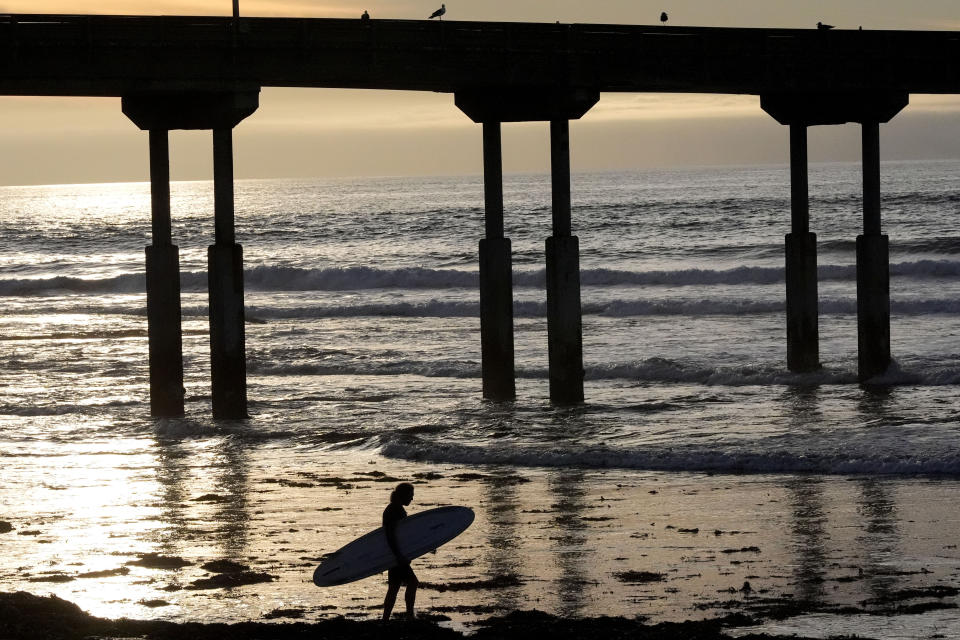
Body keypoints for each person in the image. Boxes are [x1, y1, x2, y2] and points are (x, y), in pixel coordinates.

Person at [382, 482, 419, 620]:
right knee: (413, 582)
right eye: (410, 495)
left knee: (394, 586)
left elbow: (403, 534)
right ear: (403, 495)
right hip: (396, 554)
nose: (412, 499)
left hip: (394, 554)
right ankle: (410, 615)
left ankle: (385, 618)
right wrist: (399, 555)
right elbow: (391, 535)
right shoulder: (394, 510)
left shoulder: (394, 508)